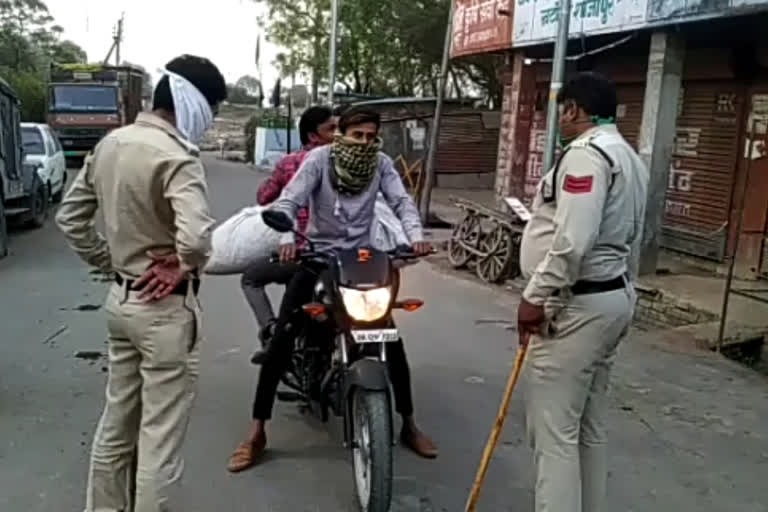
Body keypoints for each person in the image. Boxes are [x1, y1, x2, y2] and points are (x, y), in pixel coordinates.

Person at [56, 55, 227, 512]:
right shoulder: (177, 157)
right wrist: (183, 265)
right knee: (158, 441)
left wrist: (110, 263)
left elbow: (70, 220)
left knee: (116, 425)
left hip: (120, 302)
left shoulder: (111, 144)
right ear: (196, 103)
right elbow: (194, 239)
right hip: (164, 313)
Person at [227, 107, 438, 473]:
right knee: (281, 341)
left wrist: (415, 238)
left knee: (389, 336)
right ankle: (257, 431)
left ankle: (408, 423)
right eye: (358, 136)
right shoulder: (318, 161)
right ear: (340, 134)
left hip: (362, 257)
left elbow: (402, 202)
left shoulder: (382, 164)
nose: (365, 143)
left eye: (372, 137)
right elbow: (289, 202)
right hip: (316, 255)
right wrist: (288, 238)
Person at [517, 71, 649, 512]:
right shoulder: (627, 156)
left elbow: (572, 240)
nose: (559, 120)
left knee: (553, 432)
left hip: (578, 304)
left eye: (561, 111)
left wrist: (534, 298)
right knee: (587, 427)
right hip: (612, 298)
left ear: (572, 109)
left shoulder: (585, 155)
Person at [241, 105, 337, 364]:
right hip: (343, 253)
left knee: (251, 279)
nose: (338, 134)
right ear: (313, 136)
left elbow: (264, 197)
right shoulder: (352, 163)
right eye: (332, 128)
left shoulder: (291, 163)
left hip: (304, 252)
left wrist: (280, 176)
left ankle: (272, 334)